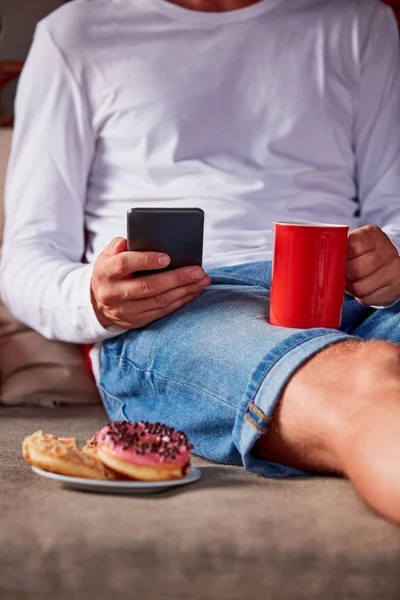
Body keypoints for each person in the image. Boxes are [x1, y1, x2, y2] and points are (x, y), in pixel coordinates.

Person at [2, 0, 400, 524]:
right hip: (186, 311)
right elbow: (26, 258)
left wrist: (392, 256)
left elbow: (392, 210)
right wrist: (97, 300)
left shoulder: (358, 22)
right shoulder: (77, 33)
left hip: (354, 292)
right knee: (369, 380)